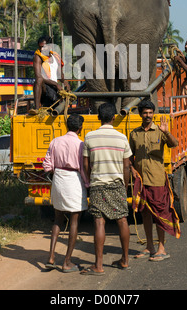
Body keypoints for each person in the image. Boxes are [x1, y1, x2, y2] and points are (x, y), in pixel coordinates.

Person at [81, 102, 131, 275]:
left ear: (98, 118)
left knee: (99, 222)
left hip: (97, 184)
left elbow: (86, 164)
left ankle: (98, 265)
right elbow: (127, 167)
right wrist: (124, 186)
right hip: (117, 184)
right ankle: (124, 260)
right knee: (122, 220)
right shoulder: (122, 138)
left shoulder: (89, 137)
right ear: (114, 117)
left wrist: (89, 180)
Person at [129, 99, 180, 262]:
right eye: (145, 113)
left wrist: (166, 132)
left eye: (151, 113)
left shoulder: (160, 131)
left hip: (157, 179)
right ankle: (150, 246)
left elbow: (174, 144)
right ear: (140, 114)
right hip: (141, 181)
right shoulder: (134, 133)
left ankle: (162, 248)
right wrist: (131, 169)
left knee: (159, 214)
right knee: (145, 213)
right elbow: (130, 154)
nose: (148, 116)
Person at [42, 114, 88, 272]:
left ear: (67, 126)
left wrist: (53, 172)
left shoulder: (56, 141)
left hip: (58, 178)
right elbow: (83, 168)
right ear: (80, 128)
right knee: (74, 220)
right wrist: (87, 183)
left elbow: (47, 164)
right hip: (73, 179)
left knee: (58, 219)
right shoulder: (81, 144)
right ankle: (67, 261)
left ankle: (51, 257)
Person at [30, 35, 70, 115]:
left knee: (54, 111)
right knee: (39, 80)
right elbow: (39, 77)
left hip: (54, 89)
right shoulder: (38, 57)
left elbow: (60, 74)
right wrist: (56, 84)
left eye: (44, 47)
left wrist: (66, 83)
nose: (42, 49)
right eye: (40, 47)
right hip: (45, 87)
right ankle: (36, 108)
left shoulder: (55, 56)